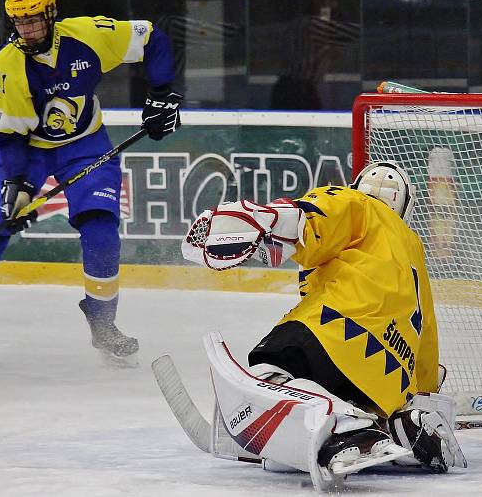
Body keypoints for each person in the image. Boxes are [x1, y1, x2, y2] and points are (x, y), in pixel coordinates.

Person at [0, 0, 182, 364]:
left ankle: (103, 324)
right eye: (19, 22)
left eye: (34, 20)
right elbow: (12, 135)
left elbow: (152, 38)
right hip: (25, 150)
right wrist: (16, 184)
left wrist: (161, 96)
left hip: (84, 144)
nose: (27, 29)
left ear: (51, 14)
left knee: (100, 228)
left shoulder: (88, 35)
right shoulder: (8, 64)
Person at [181, 161, 466, 487]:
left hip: (337, 330)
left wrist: (263, 219)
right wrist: (421, 396)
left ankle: (336, 423)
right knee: (342, 390)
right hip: (387, 378)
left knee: (273, 364)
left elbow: (316, 214)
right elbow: (426, 338)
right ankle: (378, 427)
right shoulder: (414, 249)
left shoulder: (357, 204)